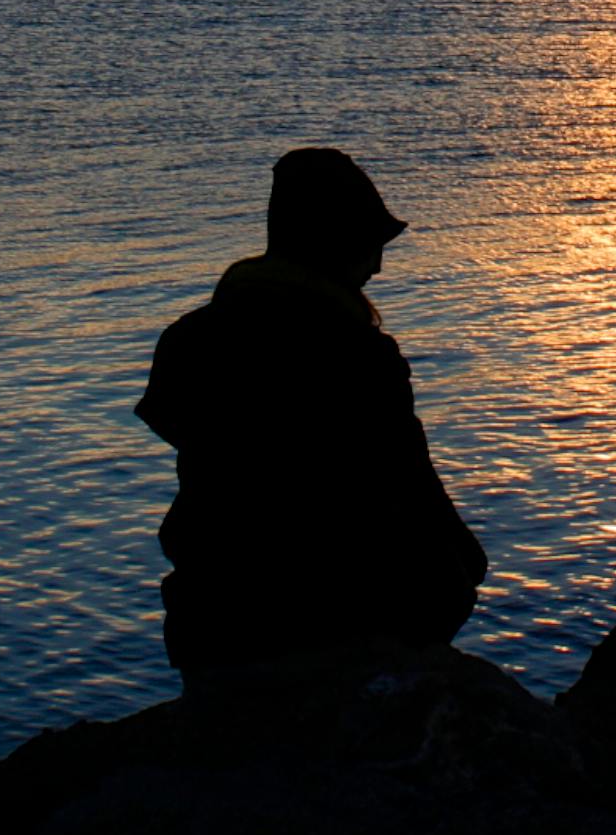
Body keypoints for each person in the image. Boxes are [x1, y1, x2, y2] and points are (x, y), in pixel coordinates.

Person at [134, 148, 488, 677]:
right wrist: (465, 565)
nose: (379, 264)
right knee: (450, 575)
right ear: (334, 245)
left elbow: (183, 432)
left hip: (209, 619)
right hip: (325, 620)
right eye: (369, 246)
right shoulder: (360, 357)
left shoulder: (187, 341)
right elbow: (414, 488)